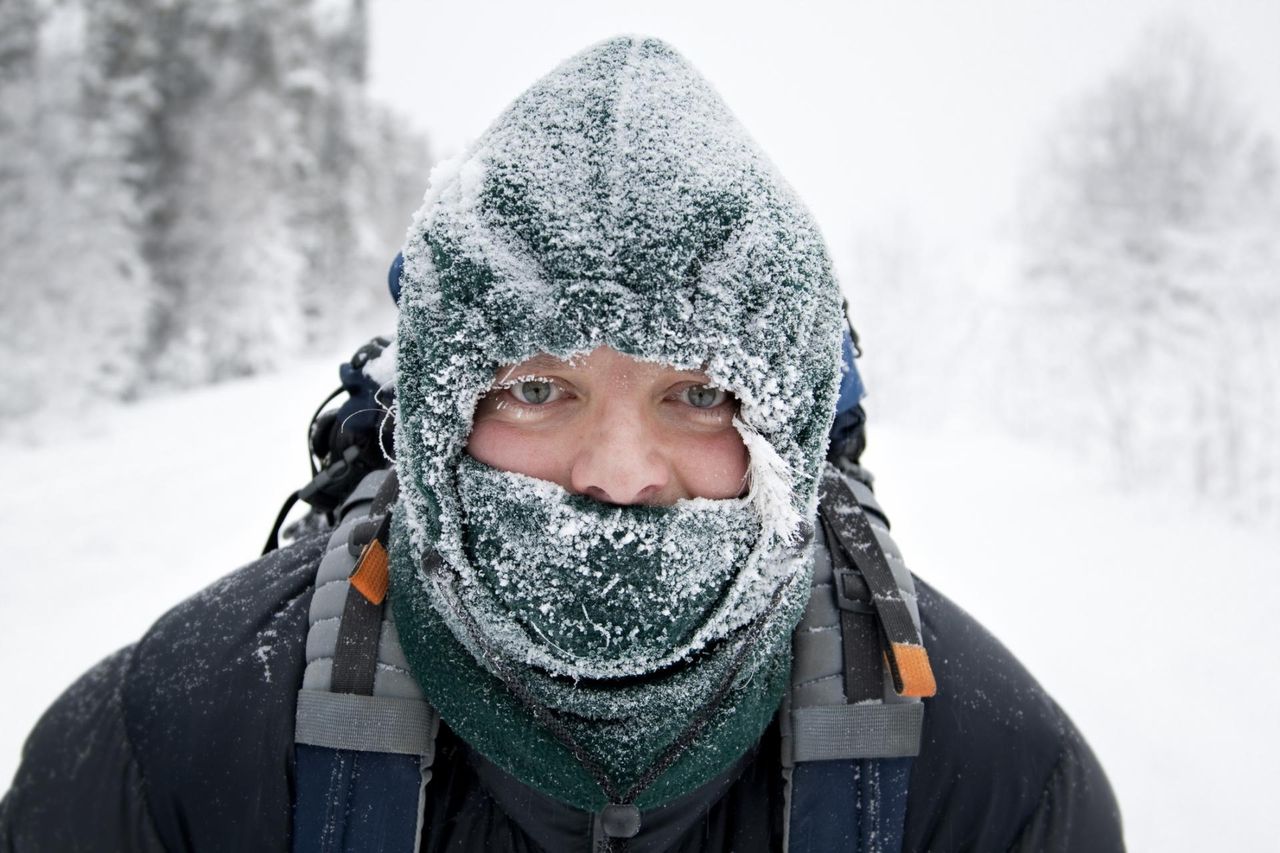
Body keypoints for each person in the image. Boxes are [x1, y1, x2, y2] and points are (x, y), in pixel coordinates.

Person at [0, 36, 1124, 852]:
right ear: (436, 409)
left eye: (697, 395)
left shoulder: (995, 788)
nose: (617, 472)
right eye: (537, 387)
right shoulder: (175, 744)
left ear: (786, 425)